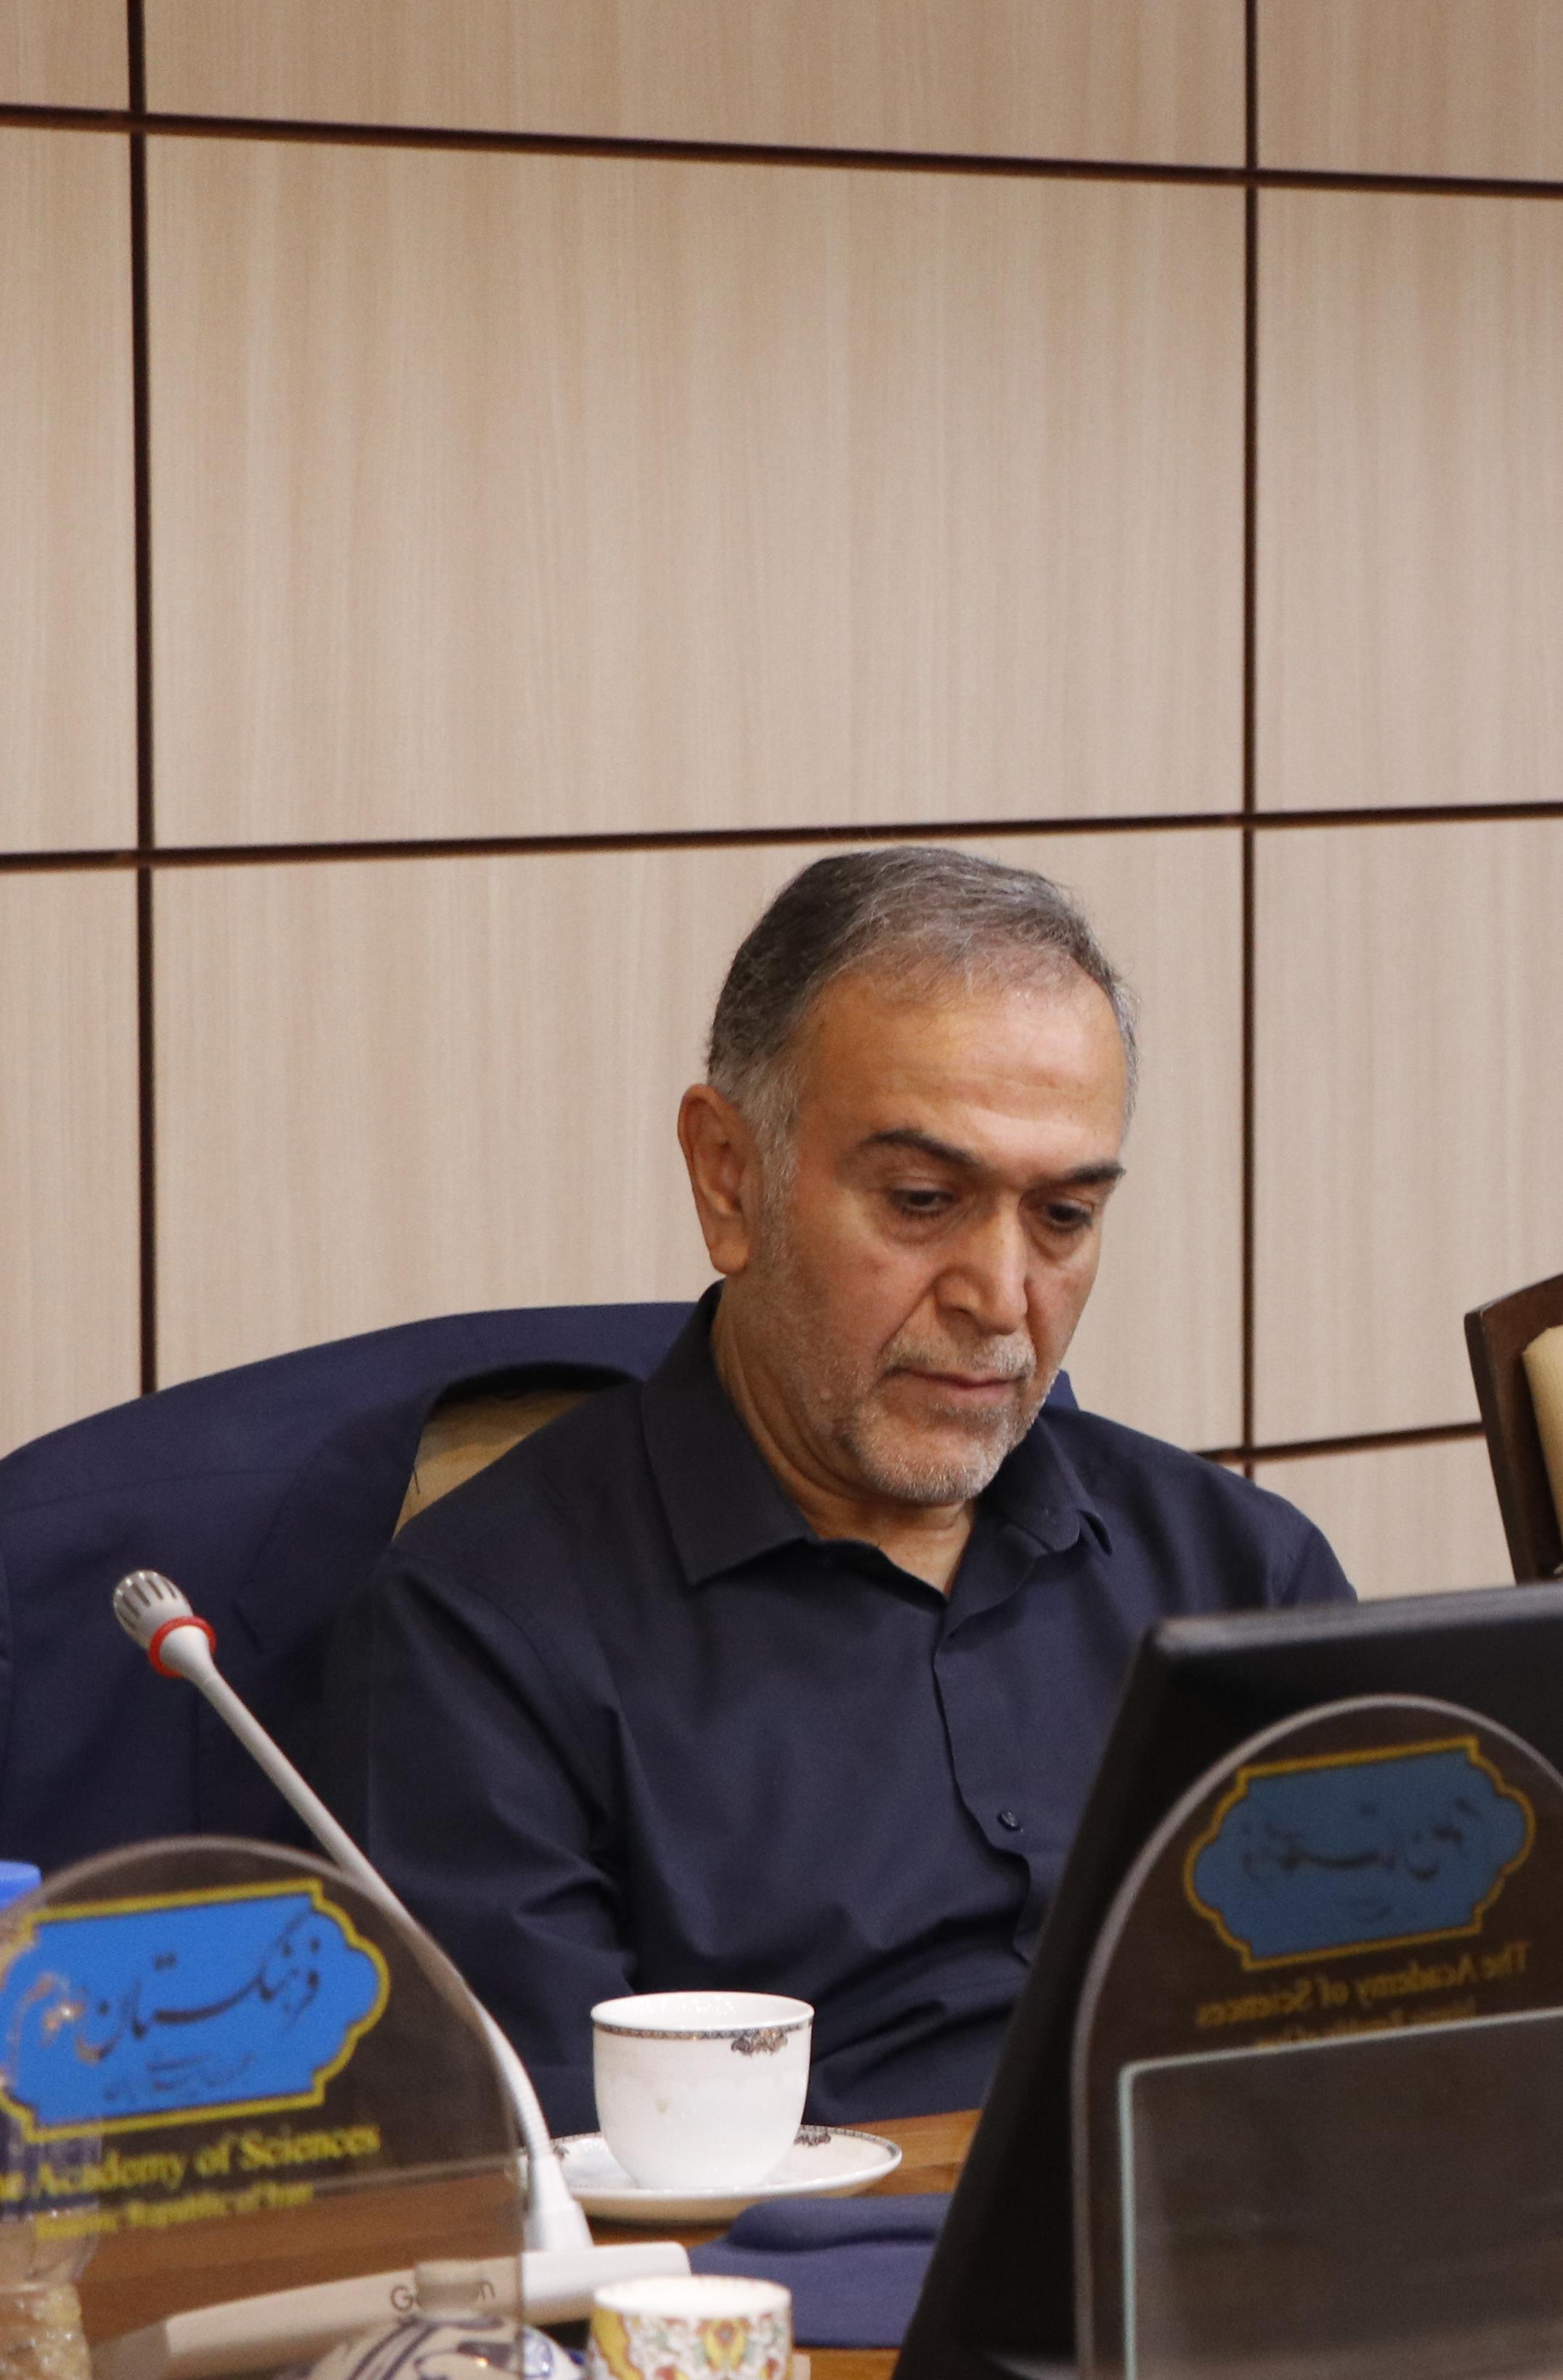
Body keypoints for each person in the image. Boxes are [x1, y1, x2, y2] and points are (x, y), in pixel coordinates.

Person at [330, 849, 1351, 2129]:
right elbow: (559, 2173)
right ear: (730, 1177)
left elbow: (1399, 2039)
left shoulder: (1245, 1577)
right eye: (923, 1200)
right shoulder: (476, 1639)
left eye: (1063, 1218)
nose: (1000, 1297)